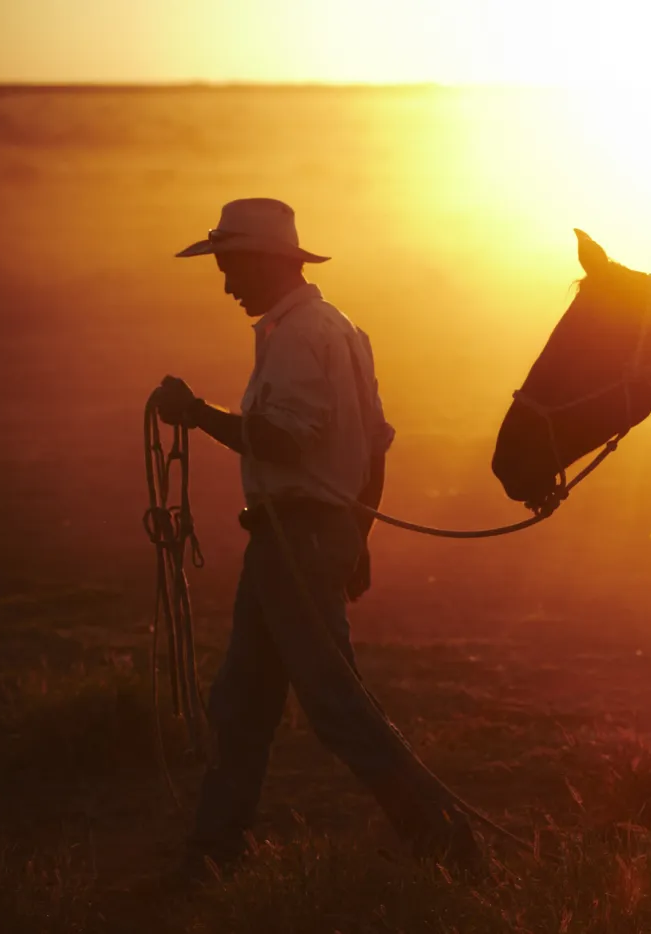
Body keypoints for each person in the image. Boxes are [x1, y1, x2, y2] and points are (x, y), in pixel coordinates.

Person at [154, 198, 478, 876]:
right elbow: (375, 446)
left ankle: (443, 839)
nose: (226, 283)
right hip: (301, 538)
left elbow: (285, 441)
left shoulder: (298, 337)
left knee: (333, 703)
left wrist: (196, 413)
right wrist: (357, 535)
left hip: (293, 541)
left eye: (231, 266)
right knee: (244, 700)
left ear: (264, 262)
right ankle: (213, 851)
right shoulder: (339, 328)